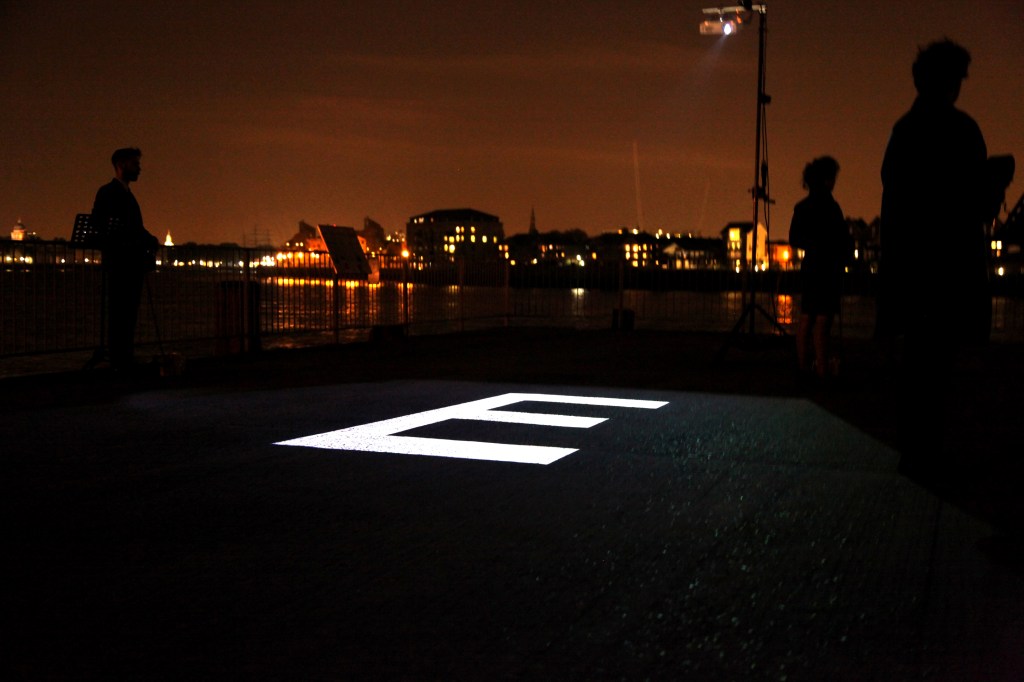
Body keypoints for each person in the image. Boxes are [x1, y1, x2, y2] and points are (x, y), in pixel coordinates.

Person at [91, 147, 159, 371]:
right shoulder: (111, 193)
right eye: (134, 164)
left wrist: (148, 238)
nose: (139, 168)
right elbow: (111, 226)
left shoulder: (121, 193)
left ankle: (122, 357)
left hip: (128, 263)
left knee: (126, 312)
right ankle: (121, 358)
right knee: (121, 311)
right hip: (122, 263)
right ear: (121, 165)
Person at [789, 156, 852, 379]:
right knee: (824, 320)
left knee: (807, 317)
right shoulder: (832, 208)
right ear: (827, 180)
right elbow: (843, 240)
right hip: (829, 268)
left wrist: (813, 243)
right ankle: (823, 368)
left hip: (811, 266)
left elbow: (795, 239)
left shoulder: (802, 208)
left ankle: (804, 365)